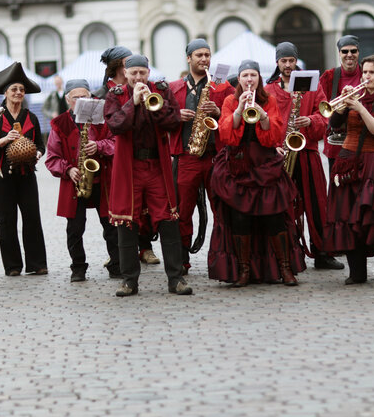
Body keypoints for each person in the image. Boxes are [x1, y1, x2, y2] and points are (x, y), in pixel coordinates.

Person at [208, 59, 305, 287]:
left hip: (264, 164)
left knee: (274, 217)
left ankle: (285, 268)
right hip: (239, 165)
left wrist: (262, 114)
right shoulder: (231, 101)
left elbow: (275, 135)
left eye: (253, 75)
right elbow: (225, 134)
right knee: (240, 218)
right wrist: (240, 109)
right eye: (245, 76)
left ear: (259, 78)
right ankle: (244, 270)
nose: (249, 80)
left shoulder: (268, 100)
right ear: (239, 79)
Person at [103, 54, 192, 296]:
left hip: (156, 165)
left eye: (143, 73)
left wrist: (156, 105)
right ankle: (129, 280)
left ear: (148, 72)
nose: (139, 78)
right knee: (126, 221)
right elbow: (115, 125)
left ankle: (176, 279)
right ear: (126, 72)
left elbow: (173, 121)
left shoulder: (161, 90)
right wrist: (133, 102)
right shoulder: (116, 95)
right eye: (134, 74)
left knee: (168, 219)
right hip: (129, 166)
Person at [324, 55, 374, 285]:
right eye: (365, 72)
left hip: (373, 162)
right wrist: (342, 101)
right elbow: (334, 123)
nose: (367, 77)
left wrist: (359, 107)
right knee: (348, 216)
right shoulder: (353, 97)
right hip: (348, 160)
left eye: (372, 73)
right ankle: (357, 271)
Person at [265, 41, 343, 270]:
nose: (288, 65)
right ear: (277, 63)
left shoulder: (312, 84)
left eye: (291, 60)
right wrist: (274, 146)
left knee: (318, 204)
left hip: (307, 151)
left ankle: (322, 253)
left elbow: (324, 115)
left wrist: (311, 121)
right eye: (283, 61)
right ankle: (289, 254)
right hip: (281, 154)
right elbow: (266, 122)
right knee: (284, 206)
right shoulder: (269, 90)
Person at [168, 39, 234, 275]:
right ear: (188, 58)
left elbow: (234, 114)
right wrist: (176, 116)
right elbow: (162, 119)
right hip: (186, 157)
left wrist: (220, 111)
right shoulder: (174, 87)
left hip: (214, 157)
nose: (204, 59)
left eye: (207, 55)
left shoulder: (223, 86)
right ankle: (182, 259)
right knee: (183, 210)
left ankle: (222, 256)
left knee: (220, 208)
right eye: (199, 55)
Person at [45, 79, 120, 282]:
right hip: (75, 182)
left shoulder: (103, 119)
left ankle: (116, 264)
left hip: (102, 180)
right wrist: (68, 170)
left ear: (91, 97)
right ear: (68, 100)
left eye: (84, 96)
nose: (81, 100)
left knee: (111, 226)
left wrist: (100, 146)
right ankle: (78, 267)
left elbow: (115, 143)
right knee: (75, 229)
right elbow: (51, 157)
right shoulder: (60, 123)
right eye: (76, 97)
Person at [96, 45, 161, 266]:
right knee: (118, 208)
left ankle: (145, 247)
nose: (134, 70)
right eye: (127, 64)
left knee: (145, 207)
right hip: (114, 155)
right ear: (119, 68)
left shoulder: (145, 86)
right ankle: (118, 253)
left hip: (140, 154)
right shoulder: (105, 93)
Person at [0, 62, 48, 276]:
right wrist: (3, 141)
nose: (18, 92)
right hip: (1, 177)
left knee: (32, 218)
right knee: (5, 221)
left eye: (21, 89)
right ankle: (12, 266)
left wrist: (38, 153)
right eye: (14, 89)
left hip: (27, 175)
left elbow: (40, 144)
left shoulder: (32, 117)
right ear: (6, 93)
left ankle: (37, 264)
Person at [318, 35, 363, 174]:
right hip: (337, 143)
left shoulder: (367, 74)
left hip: (363, 142)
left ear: (358, 53)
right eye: (344, 51)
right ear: (339, 53)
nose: (349, 55)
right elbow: (320, 108)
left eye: (353, 51)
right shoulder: (328, 76)